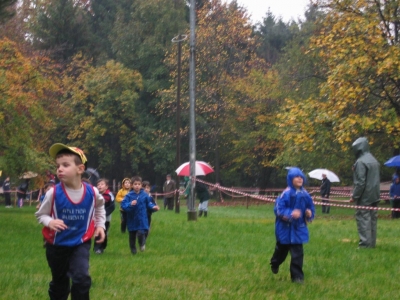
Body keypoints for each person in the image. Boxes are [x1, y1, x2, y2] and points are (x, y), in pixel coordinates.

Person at [35, 143, 106, 300]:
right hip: (56, 245)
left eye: (65, 165)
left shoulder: (92, 192)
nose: (59, 169)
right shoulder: (53, 193)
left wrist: (100, 225)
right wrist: (50, 222)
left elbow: (99, 208)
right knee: (60, 284)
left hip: (81, 242)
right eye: (58, 165)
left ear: (80, 169)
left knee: (81, 278)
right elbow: (41, 215)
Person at [270, 167, 315, 284]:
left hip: (298, 229)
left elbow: (311, 207)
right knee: (281, 251)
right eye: (297, 177)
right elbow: (278, 210)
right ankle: (275, 262)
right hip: (285, 230)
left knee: (297, 255)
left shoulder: (305, 194)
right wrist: (290, 214)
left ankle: (297, 278)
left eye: (301, 177)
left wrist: (309, 213)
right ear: (291, 179)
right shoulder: (286, 194)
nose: (300, 179)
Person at [350, 137, 380, 249]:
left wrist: (354, 196)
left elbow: (360, 182)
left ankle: (365, 244)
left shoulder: (361, 162)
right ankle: (371, 243)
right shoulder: (374, 160)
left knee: (363, 219)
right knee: (372, 220)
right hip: (375, 195)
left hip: (364, 197)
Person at [121, 176, 159, 254]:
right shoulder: (128, 195)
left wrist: (153, 207)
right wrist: (130, 204)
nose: (137, 186)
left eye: (139, 184)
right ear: (132, 185)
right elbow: (123, 205)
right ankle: (133, 250)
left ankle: (142, 244)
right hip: (131, 219)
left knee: (141, 232)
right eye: (135, 184)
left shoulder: (144, 195)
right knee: (132, 235)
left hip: (141, 218)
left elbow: (148, 204)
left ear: (141, 185)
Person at [93, 178, 115, 254]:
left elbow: (112, 206)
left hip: (106, 218)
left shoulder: (109, 195)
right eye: (98, 184)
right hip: (96, 217)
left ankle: (102, 246)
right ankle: (97, 248)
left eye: (102, 184)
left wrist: (105, 213)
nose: (100, 186)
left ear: (106, 186)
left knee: (103, 232)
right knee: (98, 232)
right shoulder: (96, 194)